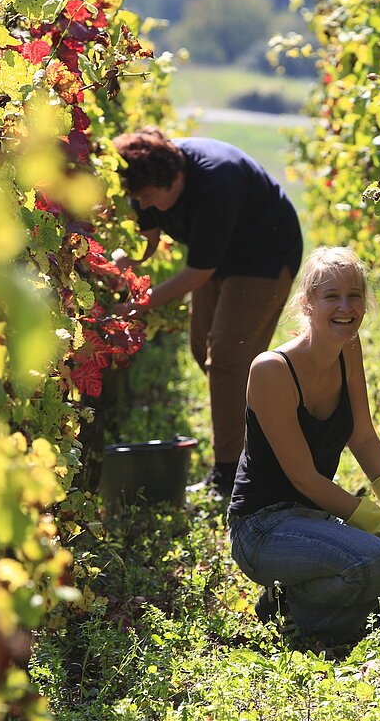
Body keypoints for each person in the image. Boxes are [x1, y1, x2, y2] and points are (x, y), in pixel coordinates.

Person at [227, 246, 380, 650]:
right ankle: (296, 617)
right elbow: (304, 477)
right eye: (331, 295)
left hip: (314, 519)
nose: (345, 307)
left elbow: (362, 435)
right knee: (379, 560)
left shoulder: (349, 349)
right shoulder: (271, 370)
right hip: (263, 527)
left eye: (354, 295)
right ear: (307, 303)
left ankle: (299, 604)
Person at [112, 129, 303, 496]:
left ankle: (231, 473)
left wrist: (136, 305)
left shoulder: (216, 182)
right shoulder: (144, 180)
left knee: (229, 361)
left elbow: (197, 272)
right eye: (138, 199)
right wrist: (117, 264)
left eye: (150, 198)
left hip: (264, 255)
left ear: (177, 178)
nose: (144, 205)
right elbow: (146, 241)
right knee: (204, 351)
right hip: (220, 258)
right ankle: (265, 434)